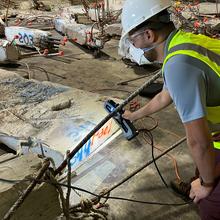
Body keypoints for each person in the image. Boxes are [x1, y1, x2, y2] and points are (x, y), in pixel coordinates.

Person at [121, 0, 220, 219]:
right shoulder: (181, 42)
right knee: (203, 166)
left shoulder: (178, 64)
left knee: (211, 206)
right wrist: (134, 115)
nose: (133, 47)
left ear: (148, 35)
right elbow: (165, 95)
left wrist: (207, 183)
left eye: (132, 40)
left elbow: (198, 142)